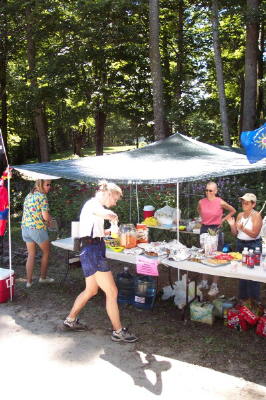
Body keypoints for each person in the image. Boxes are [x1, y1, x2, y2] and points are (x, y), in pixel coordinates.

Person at [63, 180, 138, 343]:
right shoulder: (94, 205)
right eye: (115, 199)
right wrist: (112, 217)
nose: (115, 203)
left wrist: (107, 230)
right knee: (112, 292)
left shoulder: (94, 207)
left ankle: (70, 320)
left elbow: (94, 229)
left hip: (91, 249)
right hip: (93, 252)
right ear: (108, 194)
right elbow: (102, 213)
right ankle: (118, 331)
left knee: (91, 290)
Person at [197, 181, 236, 296]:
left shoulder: (220, 202)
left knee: (216, 255)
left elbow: (233, 210)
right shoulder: (201, 202)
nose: (208, 193)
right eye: (206, 190)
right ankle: (204, 282)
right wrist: (202, 218)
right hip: (204, 229)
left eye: (210, 190)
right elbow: (199, 209)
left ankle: (215, 285)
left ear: (216, 191)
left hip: (216, 230)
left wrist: (222, 220)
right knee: (204, 254)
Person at [227, 193, 262, 302]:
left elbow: (255, 234)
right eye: (243, 202)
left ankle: (254, 301)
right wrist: (232, 226)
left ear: (253, 204)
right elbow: (235, 234)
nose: (244, 204)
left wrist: (243, 228)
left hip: (253, 246)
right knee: (241, 271)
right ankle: (242, 299)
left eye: (247, 202)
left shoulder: (256, 216)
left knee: (253, 273)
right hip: (240, 244)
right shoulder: (240, 215)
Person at [21, 179, 54, 288]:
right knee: (46, 252)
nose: (49, 187)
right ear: (41, 184)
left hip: (25, 229)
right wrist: (51, 219)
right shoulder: (42, 197)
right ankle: (43, 278)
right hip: (37, 229)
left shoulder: (29, 195)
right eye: (47, 184)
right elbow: (45, 216)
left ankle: (29, 282)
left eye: (50, 184)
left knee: (31, 254)